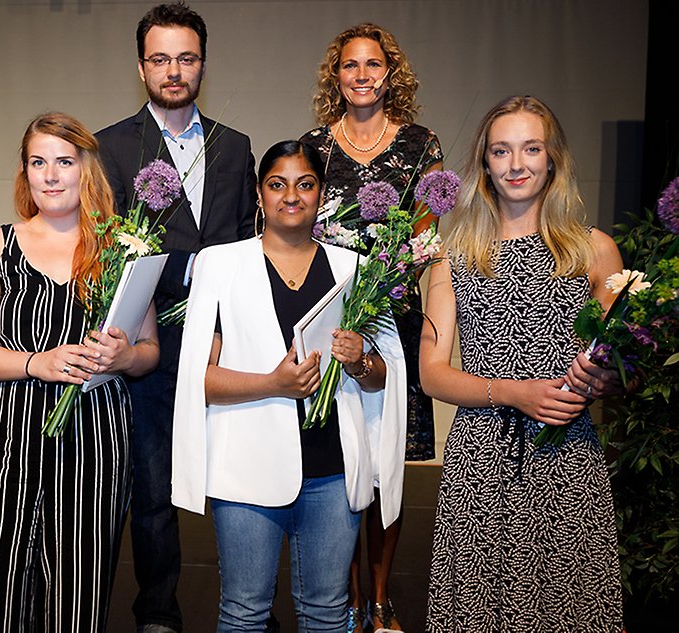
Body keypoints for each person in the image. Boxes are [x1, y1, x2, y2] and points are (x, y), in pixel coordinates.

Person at [172, 140, 407, 632]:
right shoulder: (221, 264)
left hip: (333, 470)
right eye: (277, 185)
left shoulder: (354, 269)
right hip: (246, 467)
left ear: (321, 194)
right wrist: (273, 383)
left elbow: (386, 374)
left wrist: (360, 361)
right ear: (259, 195)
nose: (291, 196)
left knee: (327, 609)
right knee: (244, 610)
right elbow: (200, 378)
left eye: (305, 184)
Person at [420, 95, 625, 631]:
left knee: (570, 609)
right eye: (501, 151)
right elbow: (431, 373)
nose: (517, 165)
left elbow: (623, 364)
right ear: (485, 164)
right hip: (482, 465)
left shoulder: (594, 250)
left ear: (552, 158)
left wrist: (605, 378)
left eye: (531, 149)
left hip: (568, 460)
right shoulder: (455, 255)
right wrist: (515, 392)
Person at [0, 112, 159, 632]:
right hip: (11, 442)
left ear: (86, 168)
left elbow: (149, 350)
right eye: (37, 162)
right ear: (24, 173)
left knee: (78, 600)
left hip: (96, 444)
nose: (50, 175)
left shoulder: (122, 250)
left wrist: (124, 358)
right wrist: (34, 363)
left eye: (63, 162)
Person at [96, 3, 257, 631]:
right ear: (141, 68)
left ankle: (246, 609)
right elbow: (103, 248)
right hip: (148, 341)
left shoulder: (233, 146)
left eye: (186, 58)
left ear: (202, 65)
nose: (174, 70)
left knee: (239, 480)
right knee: (153, 488)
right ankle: (157, 611)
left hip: (224, 339)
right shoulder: (109, 146)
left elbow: (248, 241)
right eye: (160, 58)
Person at [299, 23, 442, 632]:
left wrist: (392, 276)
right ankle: (346, 597)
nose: (362, 75)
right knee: (341, 464)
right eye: (350, 65)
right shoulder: (312, 146)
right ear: (337, 76)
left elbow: (428, 231)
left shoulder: (419, 143)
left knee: (387, 466)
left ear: (391, 73)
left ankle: (381, 598)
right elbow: (295, 225)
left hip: (395, 324)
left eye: (373, 64)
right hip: (333, 322)